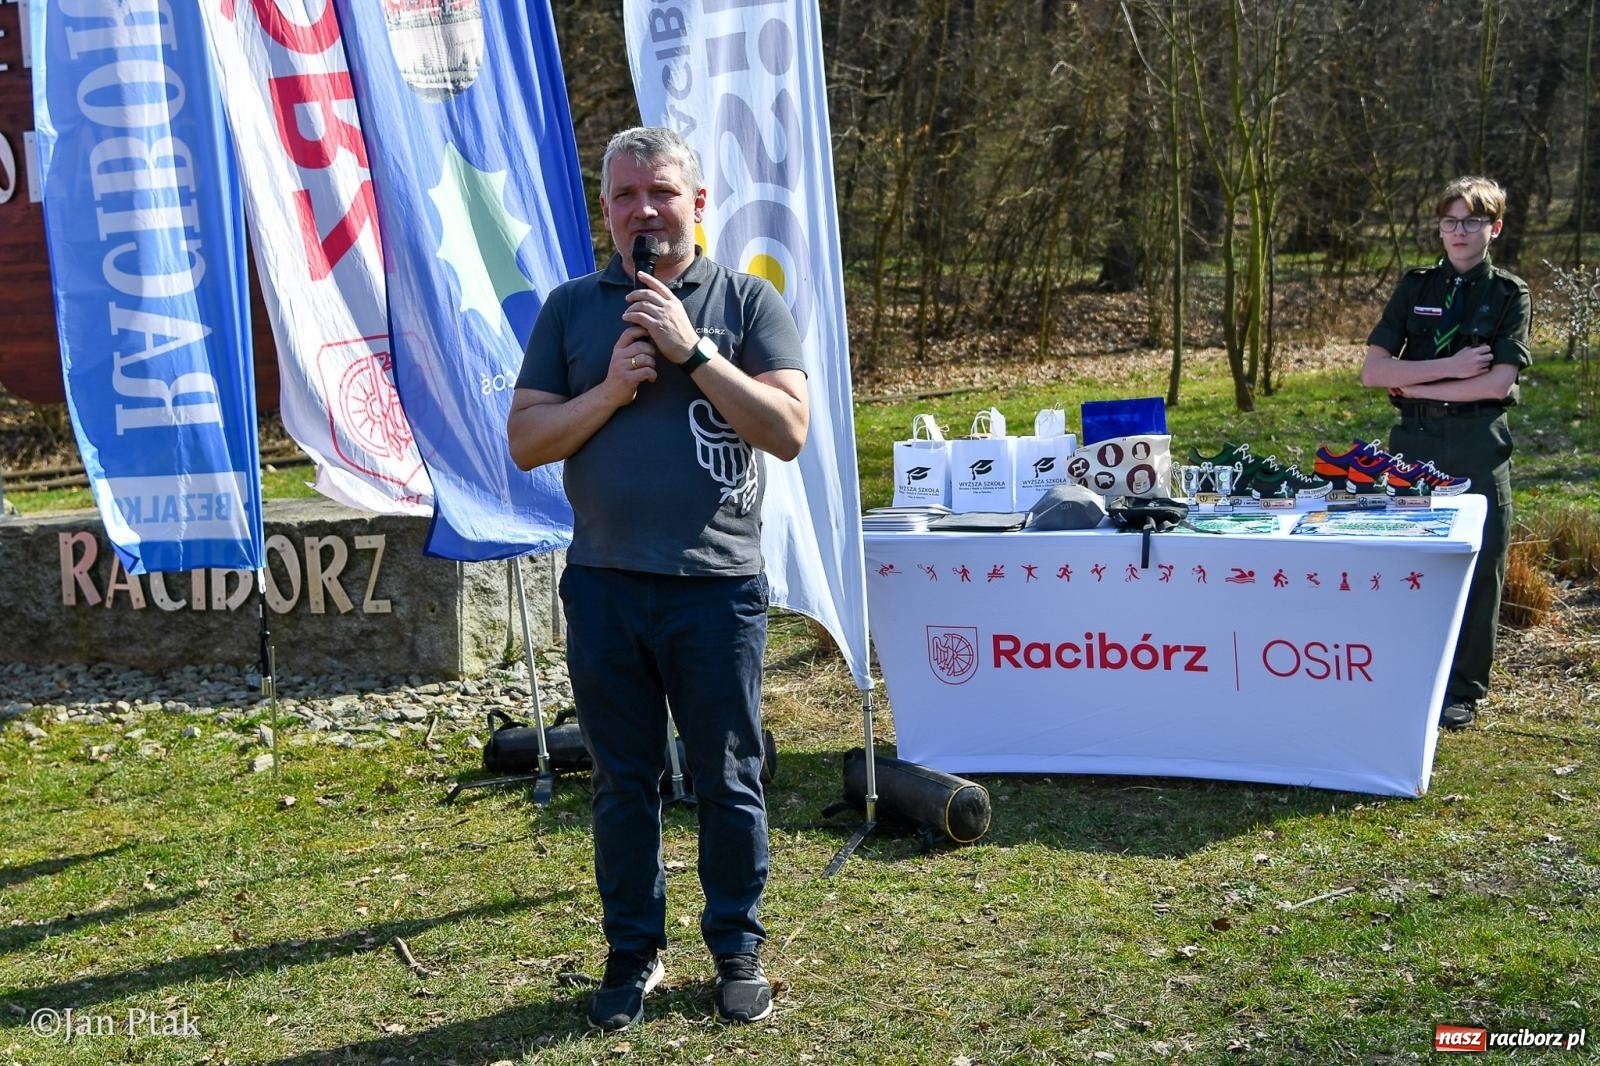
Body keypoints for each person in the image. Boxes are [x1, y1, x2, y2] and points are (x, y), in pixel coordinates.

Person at [507, 126, 809, 1030]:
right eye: (627, 196)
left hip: (716, 587)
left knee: (729, 778)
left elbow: (787, 431)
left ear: (698, 204)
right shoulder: (570, 310)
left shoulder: (747, 302)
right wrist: (606, 392)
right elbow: (526, 442)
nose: (645, 211)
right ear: (607, 210)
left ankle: (736, 948)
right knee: (622, 781)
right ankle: (632, 952)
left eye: (663, 193)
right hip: (603, 585)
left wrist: (693, 352)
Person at [1360, 176, 1531, 730]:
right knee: (1410, 561)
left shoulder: (1509, 294)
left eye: (1472, 222)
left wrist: (1415, 383)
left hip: (1478, 443)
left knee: (1481, 565)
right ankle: (1410, 673)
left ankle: (1462, 690)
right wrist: (1451, 368)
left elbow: (1497, 385)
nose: (1459, 232)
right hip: (1413, 444)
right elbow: (1373, 371)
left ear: (1494, 228)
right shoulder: (1415, 287)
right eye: (1450, 221)